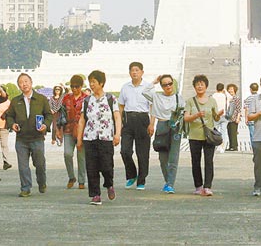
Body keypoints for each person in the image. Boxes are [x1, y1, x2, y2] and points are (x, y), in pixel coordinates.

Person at [76, 70, 122, 206]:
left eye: (94, 82)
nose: (91, 84)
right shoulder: (86, 100)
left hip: (106, 137)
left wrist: (117, 134)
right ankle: (95, 194)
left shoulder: (111, 99)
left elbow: (117, 117)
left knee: (107, 166)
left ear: (101, 83)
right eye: (90, 82)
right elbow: (82, 120)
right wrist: (79, 139)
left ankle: (109, 184)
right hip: (89, 137)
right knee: (91, 167)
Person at [5, 73, 52, 197]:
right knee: (23, 165)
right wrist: (12, 125)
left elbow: (49, 115)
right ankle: (25, 187)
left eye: (26, 81)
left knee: (40, 163)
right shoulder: (15, 101)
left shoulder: (41, 99)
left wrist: (45, 126)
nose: (24, 84)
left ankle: (42, 182)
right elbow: (9, 116)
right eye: (21, 82)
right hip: (21, 138)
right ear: (18, 85)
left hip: (37, 137)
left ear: (31, 83)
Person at [143, 74, 185, 193]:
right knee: (162, 158)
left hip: (175, 127)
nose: (168, 86)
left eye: (170, 83)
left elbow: (183, 113)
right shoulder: (157, 96)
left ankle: (170, 184)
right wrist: (154, 82)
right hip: (161, 126)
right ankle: (168, 180)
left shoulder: (178, 98)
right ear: (161, 86)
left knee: (173, 157)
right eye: (165, 84)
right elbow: (144, 92)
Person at [183, 74, 223, 196]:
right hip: (194, 136)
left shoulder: (212, 101)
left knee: (209, 161)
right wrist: (196, 115)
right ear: (194, 87)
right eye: (197, 84)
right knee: (195, 161)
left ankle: (207, 186)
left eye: (202, 84)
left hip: (208, 136)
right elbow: (186, 118)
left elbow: (215, 118)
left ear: (206, 86)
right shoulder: (190, 101)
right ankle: (198, 186)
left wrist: (219, 115)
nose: (200, 86)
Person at [118, 61, 152, 190]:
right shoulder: (125, 87)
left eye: (137, 70)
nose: (134, 72)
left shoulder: (148, 87)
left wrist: (152, 124)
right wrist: (119, 122)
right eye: (132, 70)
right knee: (125, 151)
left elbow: (153, 106)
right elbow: (121, 105)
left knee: (142, 153)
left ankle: (141, 180)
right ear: (129, 73)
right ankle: (131, 175)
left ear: (142, 72)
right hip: (128, 119)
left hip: (143, 119)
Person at [62, 74, 88, 189]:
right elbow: (60, 115)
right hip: (68, 129)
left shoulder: (87, 98)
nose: (74, 88)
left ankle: (81, 180)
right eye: (72, 86)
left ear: (81, 86)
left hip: (82, 130)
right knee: (67, 154)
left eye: (77, 86)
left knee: (81, 156)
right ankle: (71, 176)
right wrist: (57, 130)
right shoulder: (66, 98)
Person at [0, 81, 12, 171]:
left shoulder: (8, 102)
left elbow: (11, 112)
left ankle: (6, 162)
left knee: (4, 144)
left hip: (4, 125)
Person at [212, 82, 231, 153]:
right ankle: (222, 147)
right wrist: (225, 91)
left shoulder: (213, 95)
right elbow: (231, 98)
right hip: (224, 115)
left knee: (214, 132)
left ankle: (214, 146)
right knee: (223, 132)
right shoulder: (225, 96)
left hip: (216, 115)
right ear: (223, 88)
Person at [225, 84, 242, 151]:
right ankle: (231, 146)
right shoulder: (228, 98)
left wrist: (238, 118)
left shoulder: (236, 98)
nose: (230, 90)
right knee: (229, 132)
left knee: (233, 133)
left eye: (231, 89)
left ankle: (234, 146)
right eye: (229, 89)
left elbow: (238, 109)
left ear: (235, 90)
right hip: (228, 118)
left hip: (234, 118)